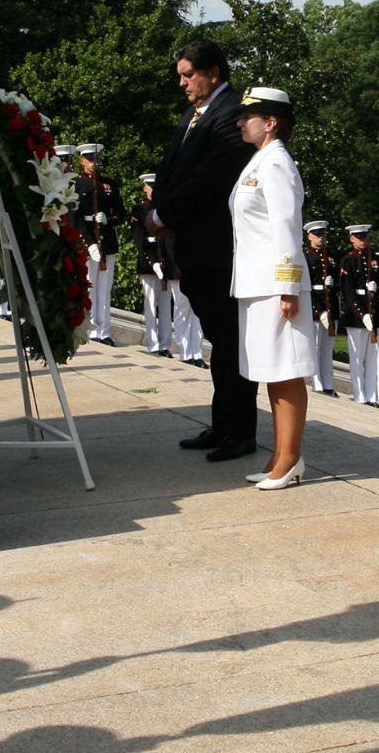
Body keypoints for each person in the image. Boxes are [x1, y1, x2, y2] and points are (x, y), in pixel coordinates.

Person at [153, 39, 256, 463]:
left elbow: (209, 178)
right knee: (218, 340)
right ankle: (222, 424)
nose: (182, 83)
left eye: (187, 74)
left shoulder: (229, 113)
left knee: (231, 342)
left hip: (217, 250)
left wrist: (162, 217)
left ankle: (241, 432)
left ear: (213, 72)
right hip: (194, 247)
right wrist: (155, 209)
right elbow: (172, 169)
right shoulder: (197, 115)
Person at [228, 88, 316, 489]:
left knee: (288, 372)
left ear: (271, 122)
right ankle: (279, 455)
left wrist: (288, 287)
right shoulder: (259, 162)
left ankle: (291, 458)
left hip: (275, 284)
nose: (241, 122)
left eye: (249, 116)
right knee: (271, 372)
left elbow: (285, 227)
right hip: (255, 283)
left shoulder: (276, 162)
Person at [76, 144, 123, 345]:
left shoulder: (108, 184)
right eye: (89, 159)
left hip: (107, 242)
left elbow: (120, 214)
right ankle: (90, 328)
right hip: (88, 242)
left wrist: (108, 220)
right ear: (82, 160)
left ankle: (104, 331)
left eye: (96, 159)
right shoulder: (76, 184)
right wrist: (88, 242)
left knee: (105, 288)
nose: (93, 163)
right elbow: (75, 217)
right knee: (89, 287)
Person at [337, 225, 379, 406]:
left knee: (372, 359)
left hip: (374, 311)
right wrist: (361, 314)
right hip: (357, 316)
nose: (363, 240)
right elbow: (347, 290)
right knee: (357, 357)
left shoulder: (375, 259)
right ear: (352, 239)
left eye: (365, 237)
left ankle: (371, 394)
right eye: (359, 237)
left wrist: (377, 289)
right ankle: (359, 393)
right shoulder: (348, 260)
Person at [131, 174, 173, 355]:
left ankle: (165, 344)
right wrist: (153, 263)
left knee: (165, 305)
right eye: (150, 186)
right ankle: (153, 342)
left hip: (165, 264)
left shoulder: (163, 208)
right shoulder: (139, 210)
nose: (153, 189)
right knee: (150, 302)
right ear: (144, 188)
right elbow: (139, 240)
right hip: (148, 265)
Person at [303, 221, 339, 396]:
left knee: (327, 348)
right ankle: (317, 381)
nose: (320, 238)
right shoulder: (306, 257)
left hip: (330, 305)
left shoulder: (331, 256)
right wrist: (318, 310)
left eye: (322, 235)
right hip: (315, 305)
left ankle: (329, 382)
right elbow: (306, 286)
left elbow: (340, 283)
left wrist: (333, 283)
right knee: (315, 346)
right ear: (309, 236)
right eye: (317, 235)